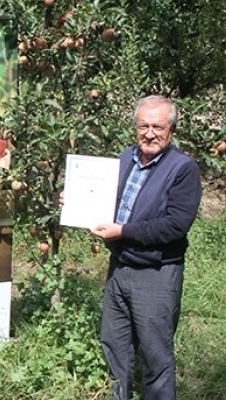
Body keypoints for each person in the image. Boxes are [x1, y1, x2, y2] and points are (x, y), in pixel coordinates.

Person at [89, 95, 202, 399]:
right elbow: (106, 200)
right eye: (143, 126)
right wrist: (77, 201)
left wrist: (122, 230)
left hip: (156, 272)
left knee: (156, 356)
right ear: (135, 127)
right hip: (120, 267)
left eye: (158, 126)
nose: (150, 133)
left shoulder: (182, 169)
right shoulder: (127, 157)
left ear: (171, 129)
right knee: (114, 344)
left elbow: (174, 225)